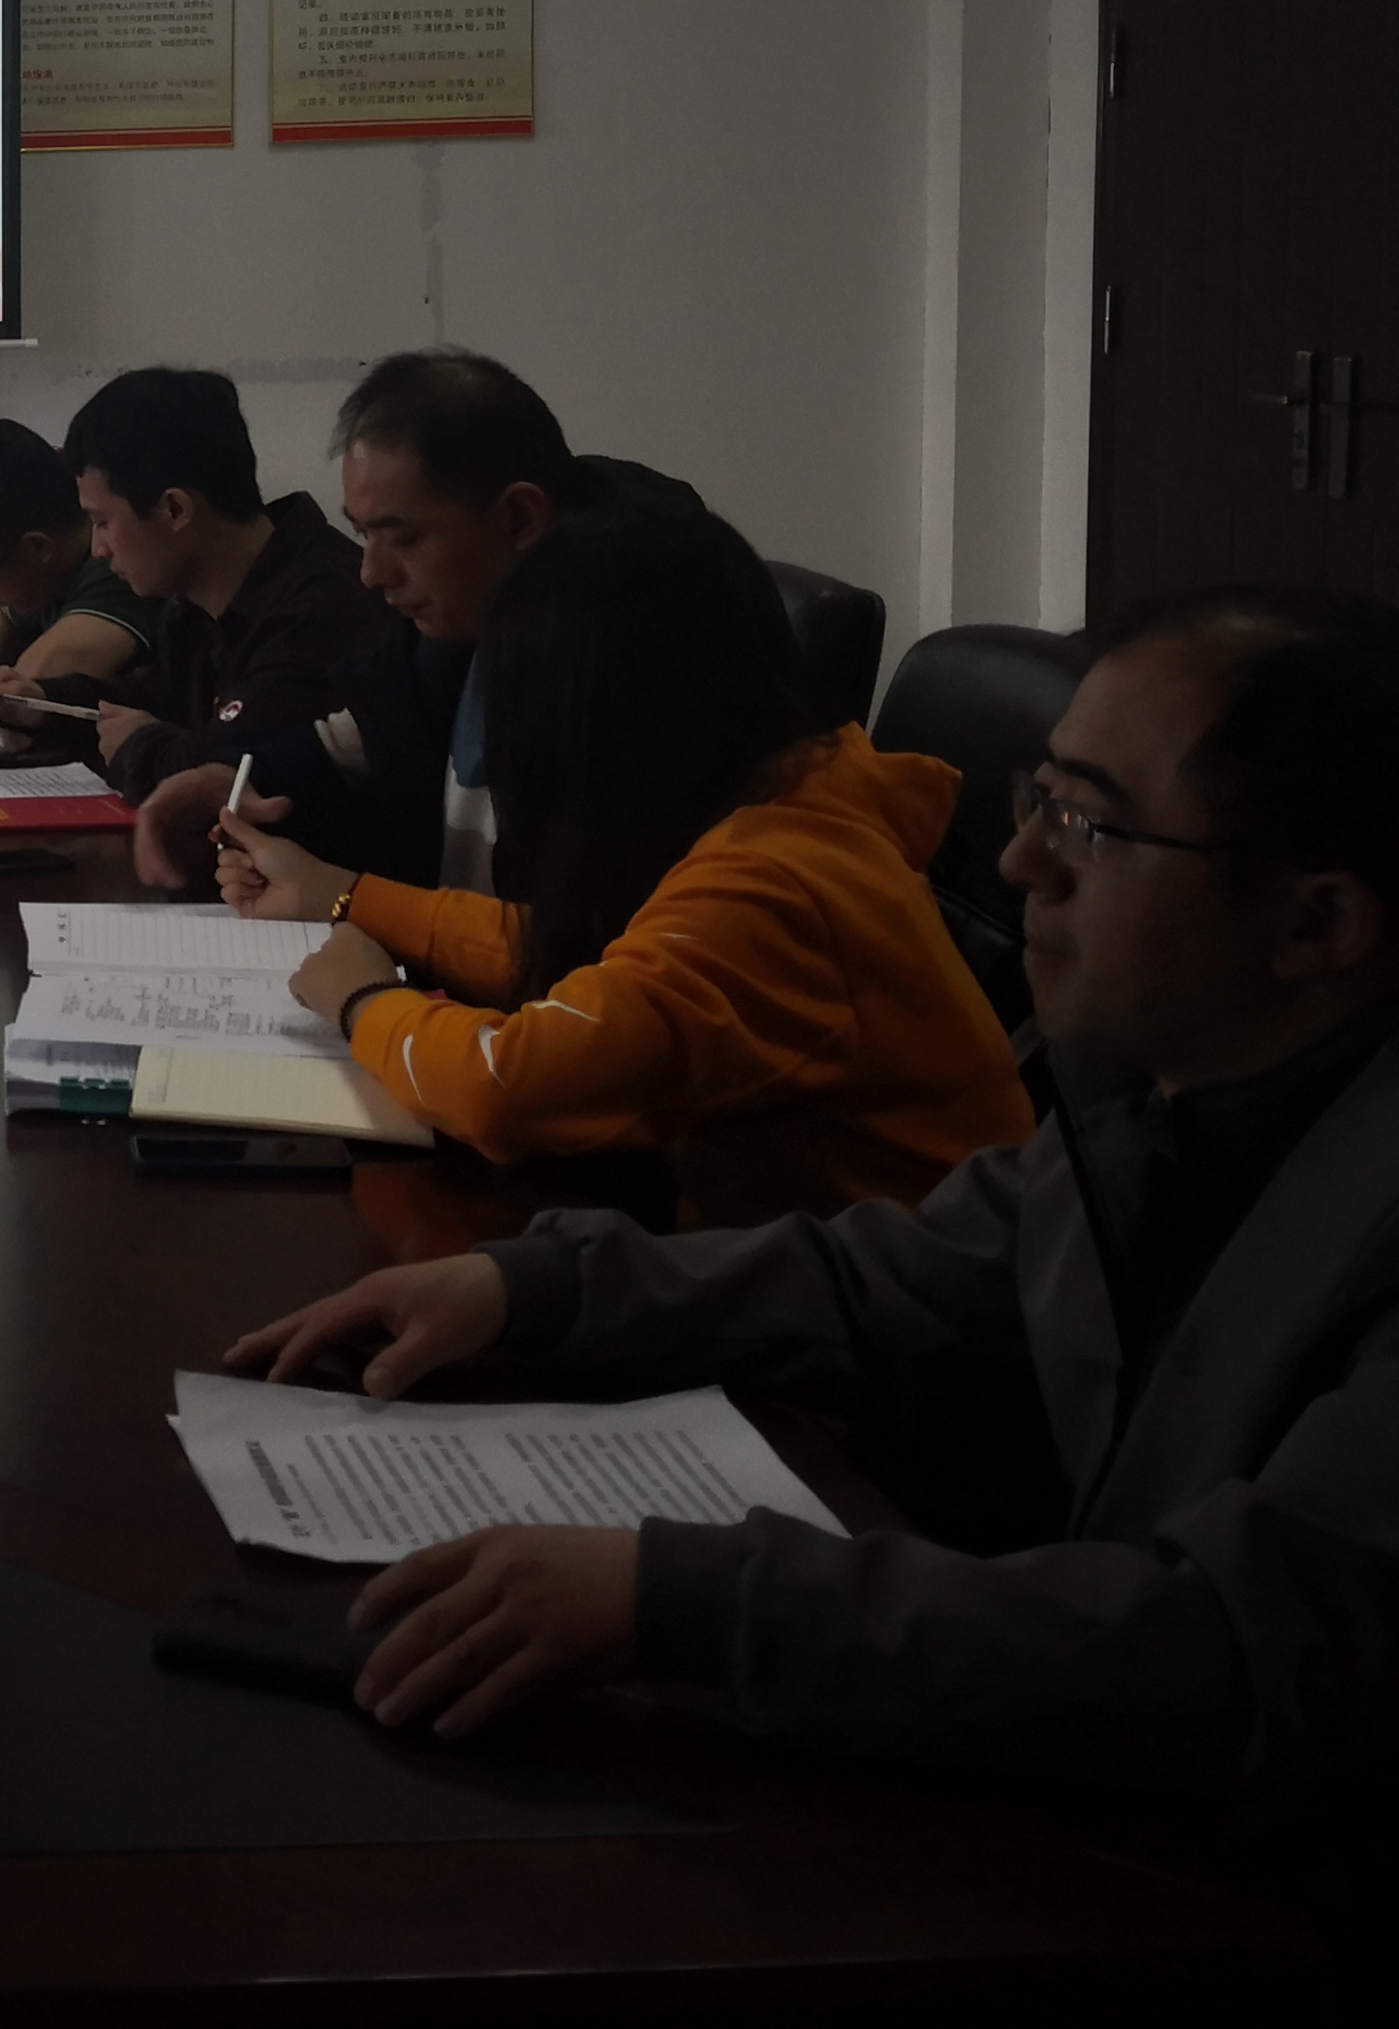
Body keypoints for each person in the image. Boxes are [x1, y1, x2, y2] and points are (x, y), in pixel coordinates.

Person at [223, 587, 1399, 1830]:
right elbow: (887, 1279)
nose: (1018, 863)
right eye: (1038, 799)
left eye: (1090, 827)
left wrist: (688, 1602)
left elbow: (1240, 1653)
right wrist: (529, 1288)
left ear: (1315, 921)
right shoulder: (1156, 1091)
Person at [217, 504, 1028, 1222]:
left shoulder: (771, 888)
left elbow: (504, 1087)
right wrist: (345, 895)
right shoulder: (793, 795)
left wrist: (363, 1000)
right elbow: (577, 950)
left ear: (605, 724)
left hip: (894, 1322)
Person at [124, 348, 694, 894]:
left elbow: (573, 935)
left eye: (403, 538)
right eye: (362, 534)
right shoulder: (458, 631)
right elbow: (356, 739)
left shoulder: (635, 671)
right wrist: (235, 777)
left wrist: (347, 899)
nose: (371, 573)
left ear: (521, 519)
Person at [58, 367, 381, 804]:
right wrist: (37, 705)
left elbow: (233, 766)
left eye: (102, 522)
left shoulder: (323, 607)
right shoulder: (193, 602)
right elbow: (150, 699)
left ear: (174, 509)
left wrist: (140, 747)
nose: (98, 550)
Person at [0, 416, 159, 727]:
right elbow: (2, 615)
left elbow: (19, 700)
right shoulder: (53, 571)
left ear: (37, 547)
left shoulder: (119, 570)